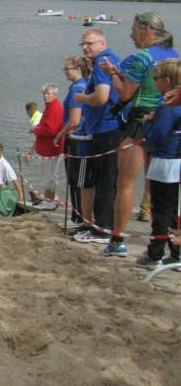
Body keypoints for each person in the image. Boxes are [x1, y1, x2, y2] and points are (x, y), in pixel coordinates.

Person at [99, 13, 177, 256]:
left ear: (147, 30)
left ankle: (117, 241)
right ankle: (168, 245)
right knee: (163, 188)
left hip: (141, 124)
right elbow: (150, 84)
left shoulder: (142, 56)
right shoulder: (174, 55)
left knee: (125, 183)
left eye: (134, 30)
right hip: (169, 123)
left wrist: (112, 74)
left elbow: (125, 94)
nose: (131, 35)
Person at [73, 28, 121, 247]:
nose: (85, 47)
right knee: (108, 180)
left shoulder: (103, 62)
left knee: (104, 181)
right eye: (82, 44)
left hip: (106, 129)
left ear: (102, 43)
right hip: (109, 127)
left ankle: (102, 229)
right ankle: (104, 226)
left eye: (89, 43)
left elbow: (101, 97)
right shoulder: (111, 59)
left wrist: (82, 98)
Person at [134, 59, 181, 269]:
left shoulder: (168, 105)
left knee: (161, 210)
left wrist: (148, 122)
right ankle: (176, 253)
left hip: (165, 162)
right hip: (174, 162)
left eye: (155, 78)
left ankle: (154, 255)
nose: (153, 82)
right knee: (172, 210)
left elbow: (156, 138)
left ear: (167, 81)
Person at [53, 56, 93, 232]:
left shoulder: (77, 88)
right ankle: (79, 216)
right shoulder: (85, 85)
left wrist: (59, 135)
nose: (65, 72)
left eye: (67, 69)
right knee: (79, 180)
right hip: (81, 137)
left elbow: (74, 121)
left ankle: (78, 217)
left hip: (75, 138)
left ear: (78, 69)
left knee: (75, 180)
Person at [26, 84, 64, 202]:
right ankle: (50, 200)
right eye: (44, 93)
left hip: (51, 150)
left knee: (48, 178)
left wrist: (35, 129)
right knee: (49, 177)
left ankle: (49, 202)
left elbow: (51, 130)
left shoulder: (54, 108)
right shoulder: (50, 107)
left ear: (55, 95)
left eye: (48, 93)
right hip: (49, 149)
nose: (45, 96)